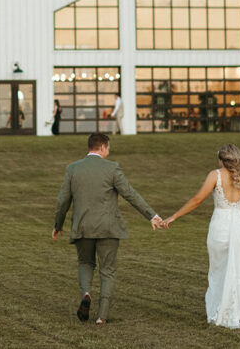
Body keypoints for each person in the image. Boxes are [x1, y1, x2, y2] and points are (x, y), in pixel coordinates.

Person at [53, 133, 163, 326]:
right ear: (103, 147)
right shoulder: (112, 168)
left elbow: (62, 202)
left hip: (83, 227)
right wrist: (151, 215)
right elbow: (130, 194)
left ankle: (86, 294)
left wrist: (58, 225)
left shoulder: (73, 169)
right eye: (108, 148)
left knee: (85, 264)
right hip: (108, 228)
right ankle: (101, 316)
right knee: (108, 271)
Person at [164, 144, 240, 328]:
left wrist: (174, 216)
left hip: (220, 226)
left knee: (220, 270)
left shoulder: (215, 175)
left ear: (222, 159)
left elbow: (197, 199)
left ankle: (222, 310)